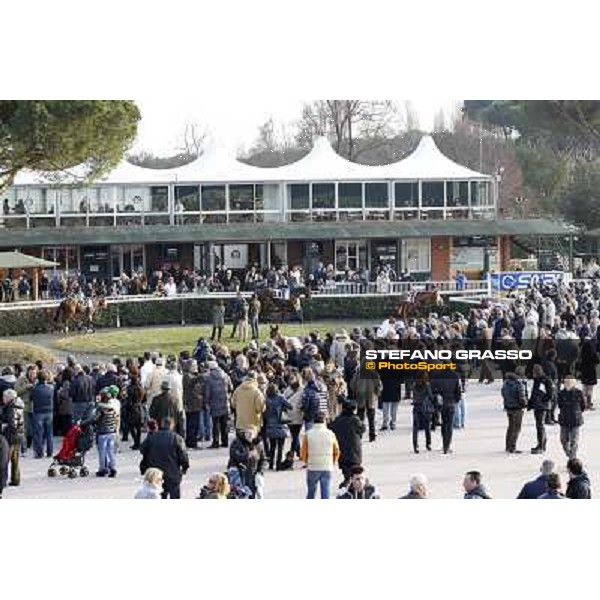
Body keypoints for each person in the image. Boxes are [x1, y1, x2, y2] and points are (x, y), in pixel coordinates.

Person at [139, 416, 189, 499]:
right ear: (172, 425)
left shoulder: (152, 437)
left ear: (161, 424)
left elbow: (142, 450)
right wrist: (184, 468)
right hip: (173, 474)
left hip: (156, 474)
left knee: (159, 496)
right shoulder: (177, 438)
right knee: (175, 497)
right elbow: (183, 455)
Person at [300, 411, 340, 499]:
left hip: (312, 467)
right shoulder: (331, 434)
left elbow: (303, 453)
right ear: (324, 420)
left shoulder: (308, 434)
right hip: (327, 467)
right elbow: (336, 451)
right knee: (325, 491)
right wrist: (332, 462)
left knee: (311, 491)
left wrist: (307, 462)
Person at [330, 400, 365, 487]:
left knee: (344, 465)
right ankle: (354, 481)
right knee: (355, 465)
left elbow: (330, 428)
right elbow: (362, 429)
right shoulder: (355, 420)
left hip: (342, 446)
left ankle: (347, 479)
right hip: (354, 448)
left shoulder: (338, 420)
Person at [228, 427, 266, 498]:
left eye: (251, 434)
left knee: (253, 492)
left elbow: (263, 459)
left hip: (252, 472)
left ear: (255, 434)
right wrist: (247, 455)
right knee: (240, 493)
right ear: (244, 433)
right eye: (247, 433)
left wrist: (259, 471)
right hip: (238, 472)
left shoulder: (258, 444)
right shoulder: (237, 442)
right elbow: (235, 456)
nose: (249, 435)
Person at [430, 368, 462, 454]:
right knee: (450, 425)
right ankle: (447, 445)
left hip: (442, 402)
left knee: (444, 423)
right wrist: (456, 399)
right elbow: (458, 391)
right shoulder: (454, 375)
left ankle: (444, 444)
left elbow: (432, 388)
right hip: (451, 401)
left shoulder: (437, 375)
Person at [263, 383, 292, 470]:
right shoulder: (280, 397)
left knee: (272, 446)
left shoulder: (266, 399)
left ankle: (271, 464)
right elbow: (290, 406)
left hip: (270, 426)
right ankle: (278, 465)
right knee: (280, 447)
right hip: (280, 425)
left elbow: (264, 412)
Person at [204, 360, 232, 448]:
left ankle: (216, 442)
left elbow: (207, 392)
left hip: (214, 403)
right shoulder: (225, 376)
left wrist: (206, 402)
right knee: (224, 424)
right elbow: (231, 387)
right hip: (225, 402)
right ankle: (225, 442)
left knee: (215, 424)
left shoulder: (209, 378)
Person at [557, 375, 586, 459]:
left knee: (574, 441)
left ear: (574, 383)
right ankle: (570, 454)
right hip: (564, 419)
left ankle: (572, 458)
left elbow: (583, 406)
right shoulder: (561, 393)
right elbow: (559, 405)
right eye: (566, 382)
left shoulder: (579, 392)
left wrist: (577, 412)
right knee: (563, 440)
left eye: (570, 382)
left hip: (575, 419)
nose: (568, 384)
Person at [1, 389, 24, 487]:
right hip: (19, 434)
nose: (3, 399)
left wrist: (3, 426)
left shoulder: (10, 407)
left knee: (5, 460)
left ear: (8, 398)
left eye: (4, 397)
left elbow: (11, 423)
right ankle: (16, 479)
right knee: (15, 459)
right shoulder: (19, 405)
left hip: (10, 436)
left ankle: (3, 481)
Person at [95, 387, 120, 478]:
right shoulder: (113, 407)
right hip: (112, 432)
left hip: (103, 432)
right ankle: (112, 468)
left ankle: (103, 469)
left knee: (102, 452)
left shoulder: (100, 407)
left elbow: (95, 419)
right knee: (110, 451)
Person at [528, 364, 553, 454]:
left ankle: (541, 445)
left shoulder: (545, 380)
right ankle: (542, 444)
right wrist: (531, 403)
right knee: (539, 425)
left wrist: (542, 401)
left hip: (542, 406)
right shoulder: (538, 380)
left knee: (540, 426)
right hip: (538, 405)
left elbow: (550, 394)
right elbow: (534, 393)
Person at [351, 369, 381, 443]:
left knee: (360, 417)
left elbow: (352, 384)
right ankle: (372, 435)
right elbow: (379, 384)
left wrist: (355, 391)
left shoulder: (358, 372)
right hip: (371, 396)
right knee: (371, 418)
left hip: (361, 396)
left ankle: (359, 435)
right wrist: (377, 393)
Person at [231, 371, 265, 435]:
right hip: (253, 425)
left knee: (241, 443)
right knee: (252, 444)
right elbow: (260, 408)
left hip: (240, 424)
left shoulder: (237, 390)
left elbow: (233, 404)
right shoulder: (257, 392)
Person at [501, 370, 528, 454]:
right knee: (516, 428)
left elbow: (503, 394)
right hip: (517, 409)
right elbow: (522, 398)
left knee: (510, 427)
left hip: (509, 408)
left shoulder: (506, 383)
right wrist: (525, 404)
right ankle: (512, 447)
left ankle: (508, 446)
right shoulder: (519, 384)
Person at [30, 370, 54, 459]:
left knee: (38, 433)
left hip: (38, 411)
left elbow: (30, 398)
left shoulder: (34, 388)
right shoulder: (51, 387)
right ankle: (50, 452)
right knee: (49, 433)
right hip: (49, 411)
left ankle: (39, 453)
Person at [182, 360, 204, 449]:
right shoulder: (187, 376)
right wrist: (202, 375)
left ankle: (191, 441)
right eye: (194, 365)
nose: (196, 367)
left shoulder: (191, 376)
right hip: (192, 405)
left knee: (193, 424)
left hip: (195, 404)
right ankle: (192, 442)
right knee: (192, 425)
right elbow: (192, 382)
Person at [411, 371, 434, 454]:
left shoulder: (414, 385)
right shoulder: (427, 385)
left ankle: (415, 445)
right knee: (427, 427)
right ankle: (428, 444)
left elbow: (413, 395)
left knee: (415, 428)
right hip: (425, 408)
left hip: (416, 406)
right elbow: (431, 396)